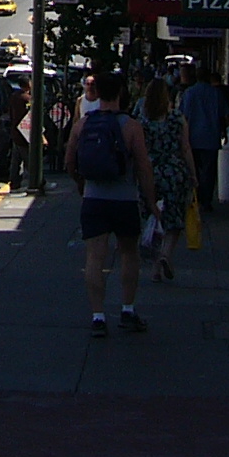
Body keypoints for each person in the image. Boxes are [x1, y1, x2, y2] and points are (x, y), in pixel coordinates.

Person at [64, 71, 156, 336]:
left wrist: (81, 183)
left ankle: (98, 316)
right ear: (121, 93)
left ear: (98, 94)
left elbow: (70, 160)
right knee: (128, 253)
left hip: (94, 199)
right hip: (124, 200)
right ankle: (127, 309)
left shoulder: (84, 124)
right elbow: (143, 167)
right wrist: (151, 202)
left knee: (95, 256)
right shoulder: (131, 126)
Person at [138, 78, 194, 282]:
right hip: (174, 171)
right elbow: (185, 147)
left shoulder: (142, 121)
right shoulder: (177, 118)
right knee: (175, 218)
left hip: (150, 171)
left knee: (154, 218)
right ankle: (165, 254)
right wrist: (193, 174)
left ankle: (155, 267)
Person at [180, 62, 229, 214]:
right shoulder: (216, 94)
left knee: (193, 170)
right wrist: (225, 131)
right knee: (209, 172)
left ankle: (196, 198)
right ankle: (206, 201)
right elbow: (226, 116)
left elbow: (183, 116)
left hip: (192, 138)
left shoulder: (189, 93)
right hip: (211, 137)